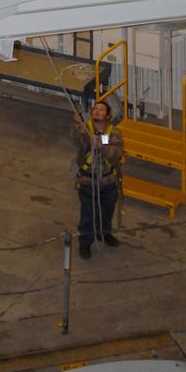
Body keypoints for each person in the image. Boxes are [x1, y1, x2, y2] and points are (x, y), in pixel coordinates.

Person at [72, 99, 123, 259]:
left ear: (108, 116)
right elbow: (77, 140)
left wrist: (101, 146)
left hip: (108, 181)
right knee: (88, 213)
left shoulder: (114, 133)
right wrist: (77, 124)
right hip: (88, 181)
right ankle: (85, 242)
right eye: (95, 109)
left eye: (101, 110)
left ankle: (104, 233)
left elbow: (116, 155)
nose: (97, 112)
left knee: (107, 211)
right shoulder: (86, 130)